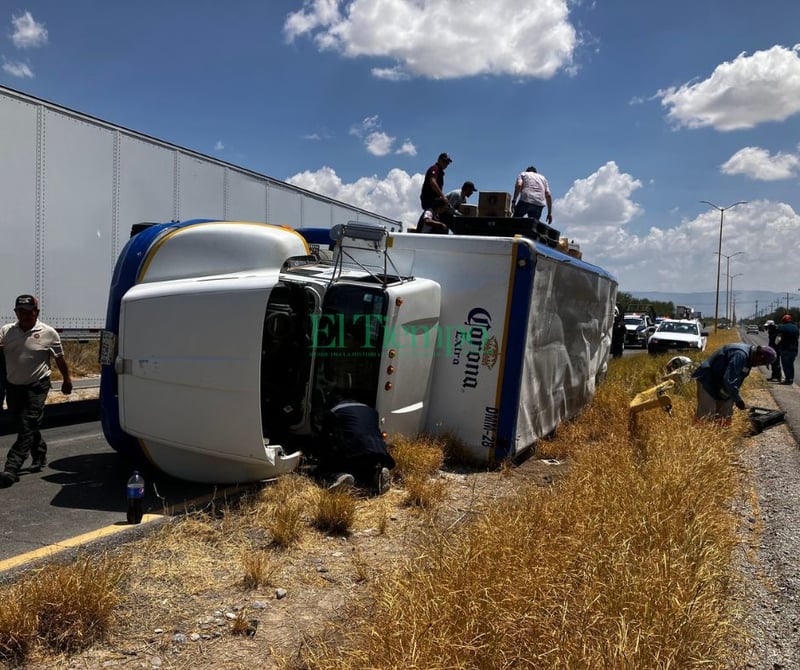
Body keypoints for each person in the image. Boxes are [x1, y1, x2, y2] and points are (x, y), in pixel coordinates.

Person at [0, 295, 73, 488]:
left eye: (29, 311)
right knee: (22, 423)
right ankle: (39, 455)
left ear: (36, 312)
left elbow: (60, 360)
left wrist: (67, 380)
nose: (25, 315)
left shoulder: (48, 332)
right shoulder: (6, 331)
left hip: (37, 385)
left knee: (28, 424)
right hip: (13, 385)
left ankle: (11, 468)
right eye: (20, 311)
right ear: (15, 312)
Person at [317, 399, 395, 495]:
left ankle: (339, 476)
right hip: (378, 453)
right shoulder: (371, 411)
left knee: (323, 470)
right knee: (364, 469)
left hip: (352, 453)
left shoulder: (333, 411)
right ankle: (376, 474)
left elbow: (324, 440)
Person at [691, 343, 776, 424]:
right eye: (762, 363)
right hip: (708, 379)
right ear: (759, 356)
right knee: (707, 414)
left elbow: (736, 380)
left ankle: (723, 435)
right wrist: (737, 400)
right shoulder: (740, 355)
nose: (759, 365)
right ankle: (701, 433)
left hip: (721, 383)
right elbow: (729, 380)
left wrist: (733, 396)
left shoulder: (750, 357)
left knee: (725, 413)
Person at [775, 314, 799, 385]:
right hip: (794, 349)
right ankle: (791, 379)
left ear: (783, 321)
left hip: (785, 349)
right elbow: (797, 337)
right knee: (791, 364)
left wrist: (776, 344)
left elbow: (778, 339)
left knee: (785, 365)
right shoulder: (796, 327)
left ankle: (787, 379)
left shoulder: (781, 327)